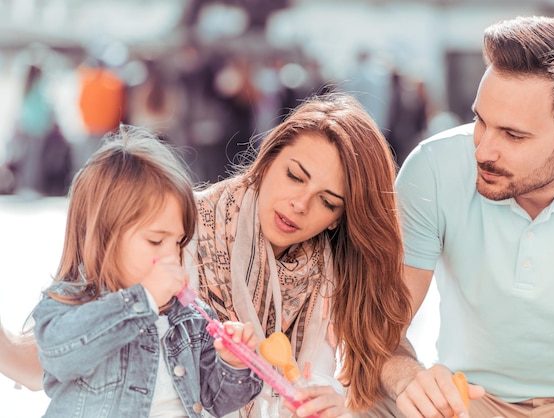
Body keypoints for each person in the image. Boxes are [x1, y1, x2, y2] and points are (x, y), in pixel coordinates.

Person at [0, 93, 413, 417]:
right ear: (267, 161)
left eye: (327, 201)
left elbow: (217, 394)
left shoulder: (330, 272)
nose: (300, 205)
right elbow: (55, 351)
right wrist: (141, 300)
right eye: (293, 176)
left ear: (341, 217)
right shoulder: (179, 227)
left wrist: (237, 364)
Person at [382, 15, 554, 418]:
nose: (482, 151)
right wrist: (407, 376)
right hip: (469, 402)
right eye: (480, 120)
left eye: (513, 135)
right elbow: (377, 330)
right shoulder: (434, 166)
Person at [31, 125, 263, 417]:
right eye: (156, 240)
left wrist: (233, 363)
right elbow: (60, 357)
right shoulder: (69, 304)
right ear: (103, 237)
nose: (171, 255)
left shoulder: (188, 318)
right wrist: (143, 300)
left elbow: (216, 401)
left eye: (178, 242)